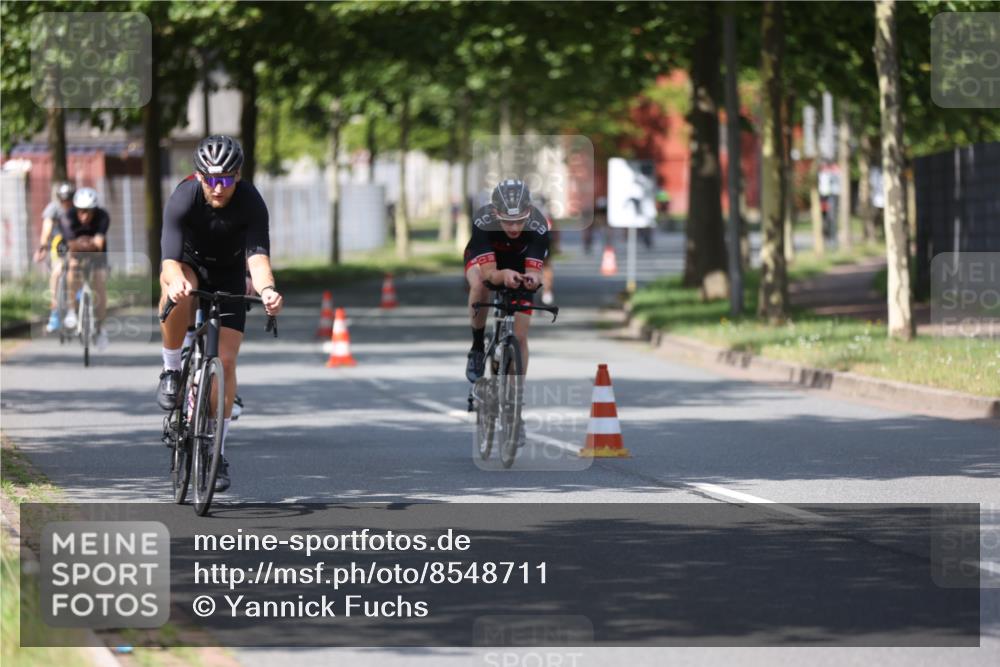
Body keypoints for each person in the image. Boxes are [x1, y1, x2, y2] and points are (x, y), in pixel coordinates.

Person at [156, 135, 283, 492]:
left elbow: (257, 259)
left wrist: (268, 290)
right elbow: (168, 261)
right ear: (198, 177)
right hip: (188, 267)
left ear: (237, 176)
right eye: (209, 179)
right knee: (177, 292)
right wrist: (177, 281)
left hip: (229, 274)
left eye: (225, 179)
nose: (217, 187)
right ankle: (170, 369)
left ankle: (218, 452)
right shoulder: (184, 196)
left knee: (225, 363)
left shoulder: (251, 202)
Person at [464, 179, 549, 385]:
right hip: (488, 261)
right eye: (507, 221)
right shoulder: (483, 221)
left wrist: (533, 279)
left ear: (528, 212)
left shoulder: (538, 225)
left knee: (519, 338)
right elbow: (490, 275)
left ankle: (516, 395)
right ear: (495, 214)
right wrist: (504, 275)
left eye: (520, 220)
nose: (514, 226)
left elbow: (534, 271)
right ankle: (477, 347)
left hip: (520, 263)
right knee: (479, 284)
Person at [60, 187, 111, 350]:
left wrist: (82, 243)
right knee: (73, 267)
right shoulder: (67, 217)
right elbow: (71, 245)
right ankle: (71, 311)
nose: (85, 216)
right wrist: (85, 243)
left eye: (89, 212)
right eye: (81, 211)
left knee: (100, 282)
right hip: (76, 255)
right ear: (76, 209)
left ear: (95, 210)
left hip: (97, 256)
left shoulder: (103, 216)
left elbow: (99, 244)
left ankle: (101, 329)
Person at [35, 182, 75, 333]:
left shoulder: (78, 208)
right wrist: (43, 246)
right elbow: (46, 228)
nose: (67, 203)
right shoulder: (53, 209)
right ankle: (54, 311)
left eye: (69, 199)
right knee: (57, 271)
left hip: (76, 242)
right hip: (59, 243)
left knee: (78, 265)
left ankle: (79, 292)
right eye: (64, 200)